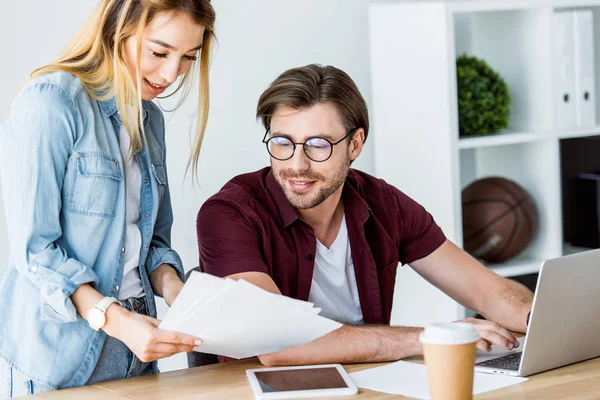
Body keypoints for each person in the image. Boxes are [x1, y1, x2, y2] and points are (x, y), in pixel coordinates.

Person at [196, 64, 534, 366]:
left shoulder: (383, 203)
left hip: (370, 384)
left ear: (355, 144)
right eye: (283, 143)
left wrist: (541, 317)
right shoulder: (229, 214)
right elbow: (274, 340)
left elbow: (486, 291)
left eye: (317, 144)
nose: (297, 164)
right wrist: (432, 339)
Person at [0, 0, 215, 395]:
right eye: (159, 51)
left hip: (139, 345)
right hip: (61, 353)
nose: (171, 73)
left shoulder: (151, 120)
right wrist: (113, 319)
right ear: (119, 26)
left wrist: (175, 290)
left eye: (188, 57)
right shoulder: (51, 101)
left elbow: (152, 242)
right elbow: (36, 252)